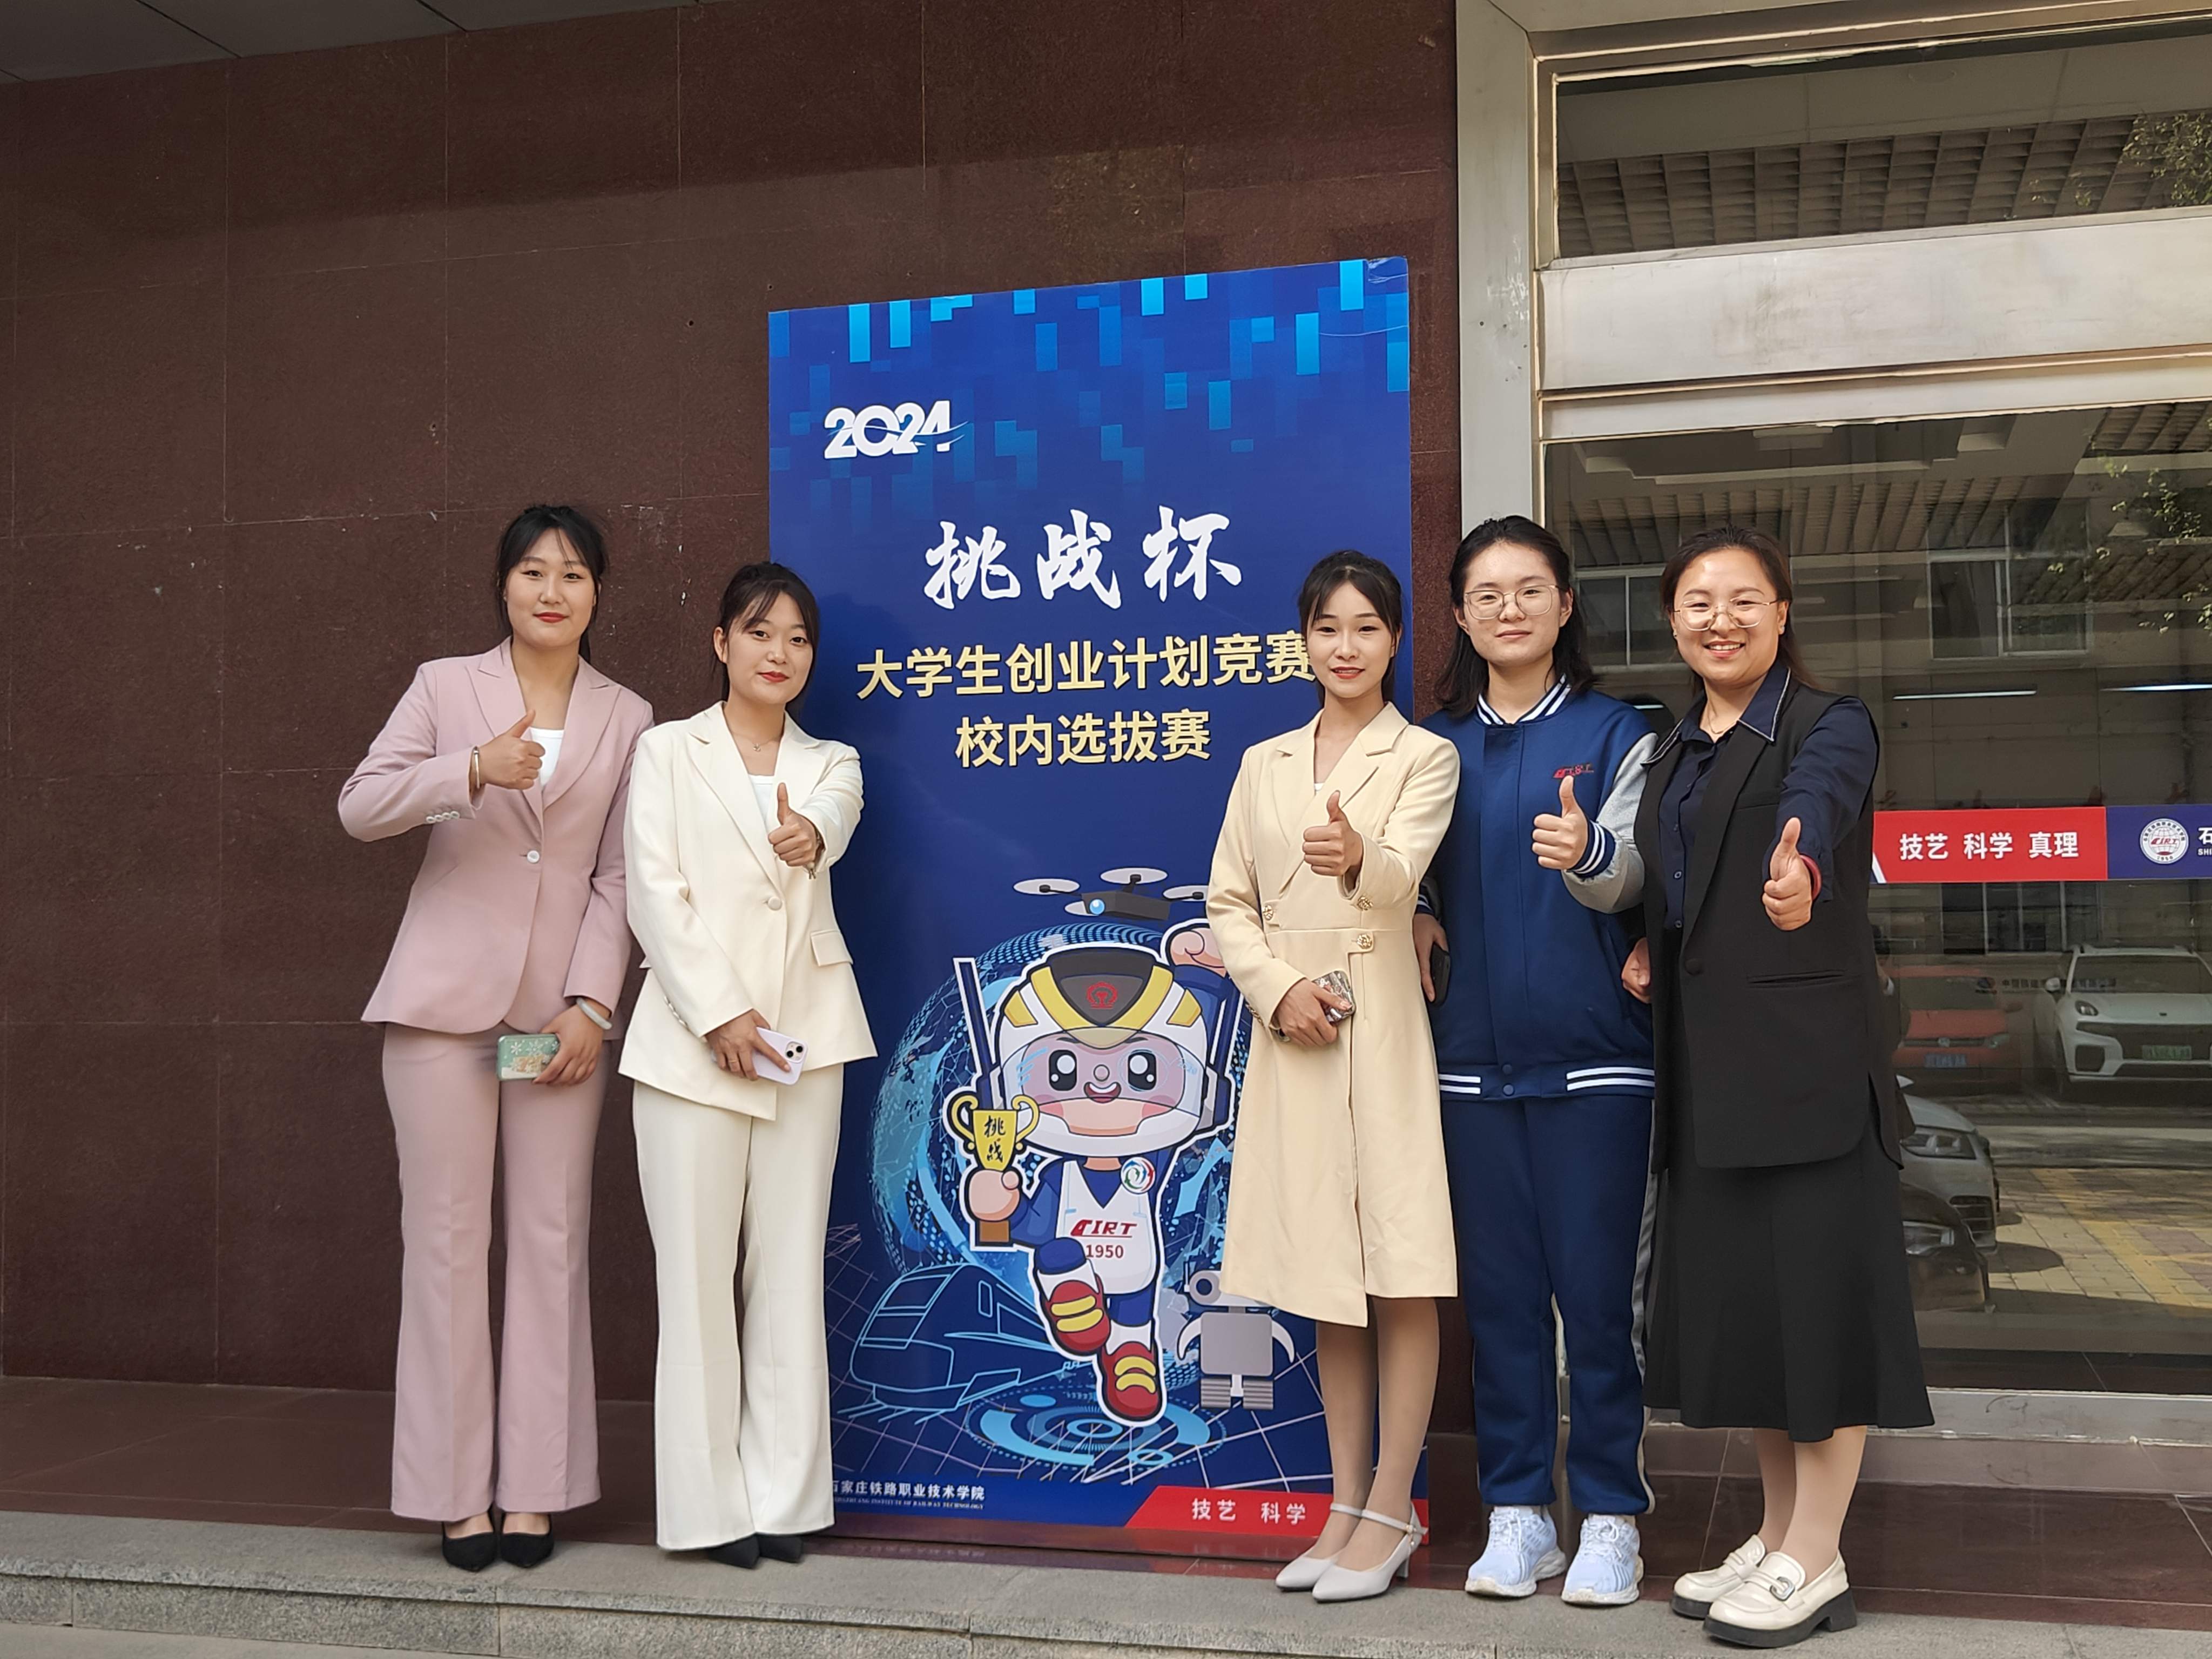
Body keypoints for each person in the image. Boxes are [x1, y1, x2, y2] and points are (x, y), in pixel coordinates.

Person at [1622, 525, 1931, 1648]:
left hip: (1807, 1079)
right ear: (1672, 620)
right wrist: (1653, 940)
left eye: (1744, 600)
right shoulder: (1673, 748)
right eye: (1698, 603)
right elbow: (1682, 881)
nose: (1721, 620)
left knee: (1821, 1316)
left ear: (1782, 614)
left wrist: (1798, 869)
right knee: (1753, 1319)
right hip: (1709, 1078)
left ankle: (1816, 1554)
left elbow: (1815, 805)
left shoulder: (1826, 722)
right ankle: (1780, 1534)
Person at [339, 504, 652, 1571]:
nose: (551, 591)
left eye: (572, 574)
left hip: (553, 1025)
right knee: (445, 1243)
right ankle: (451, 1493)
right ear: (504, 585)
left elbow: (620, 875)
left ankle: (536, 1491)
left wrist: (592, 1005)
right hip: (441, 1013)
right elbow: (361, 806)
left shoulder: (629, 717)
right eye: (532, 572)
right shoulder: (445, 689)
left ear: (597, 593)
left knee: (551, 1241)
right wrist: (469, 770)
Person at [1412, 516, 1658, 1608]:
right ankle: (1518, 1513)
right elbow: (1401, 873)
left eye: (1529, 590)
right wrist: (1413, 905)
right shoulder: (1430, 750)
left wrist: (1589, 852)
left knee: (1598, 1303)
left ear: (1565, 607)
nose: (1508, 609)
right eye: (1487, 594)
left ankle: (1609, 1515)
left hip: (1596, 1062)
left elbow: (1642, 871)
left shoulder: (1620, 733)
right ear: (1460, 618)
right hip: (1469, 1066)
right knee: (1502, 1304)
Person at [1206, 550, 1460, 1604]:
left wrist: (1357, 856)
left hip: (1380, 1026)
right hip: (1293, 1034)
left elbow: (1401, 878)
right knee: (1324, 1275)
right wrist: (1276, 991)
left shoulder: (1425, 756)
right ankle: (1344, 1504)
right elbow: (1226, 902)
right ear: (1302, 641)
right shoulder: (1263, 762)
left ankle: (1393, 1507)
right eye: (1327, 628)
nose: (1345, 647)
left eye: (1365, 627)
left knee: (1398, 1264)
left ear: (1395, 640)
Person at [621, 561, 874, 1570]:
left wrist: (810, 834)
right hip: (691, 1047)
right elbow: (653, 891)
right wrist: (720, 1013)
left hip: (808, 1038)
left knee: (789, 1272)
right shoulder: (664, 750)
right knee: (694, 1279)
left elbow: (832, 821)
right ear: (721, 642)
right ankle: (708, 1510)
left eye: (798, 638)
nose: (781, 653)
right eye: (761, 633)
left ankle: (783, 1499)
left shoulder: (833, 761)